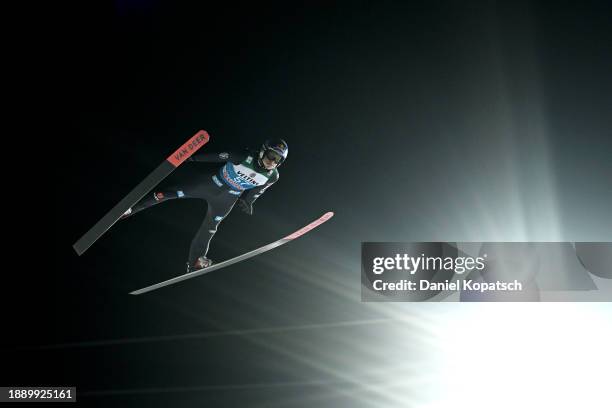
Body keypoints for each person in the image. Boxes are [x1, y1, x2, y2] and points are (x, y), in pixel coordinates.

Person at [121, 139, 288, 272]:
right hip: (209, 185)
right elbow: (216, 156)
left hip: (227, 200)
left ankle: (195, 262)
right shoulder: (243, 157)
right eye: (270, 156)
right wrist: (190, 157)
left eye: (277, 160)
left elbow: (258, 190)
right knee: (168, 194)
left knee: (210, 228)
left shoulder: (273, 176)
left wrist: (248, 202)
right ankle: (129, 210)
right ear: (262, 151)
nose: (271, 162)